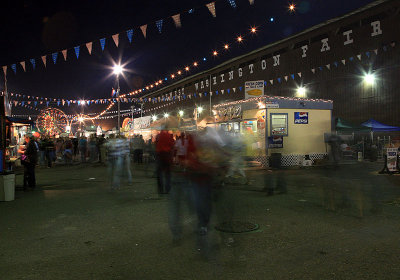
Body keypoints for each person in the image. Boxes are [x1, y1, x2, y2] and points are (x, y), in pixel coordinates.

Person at [156, 128, 175, 194]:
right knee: (168, 173)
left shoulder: (158, 136)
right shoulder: (169, 135)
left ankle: (161, 189)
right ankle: (168, 188)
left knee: (159, 173)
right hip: (167, 155)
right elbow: (172, 145)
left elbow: (156, 144)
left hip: (160, 155)